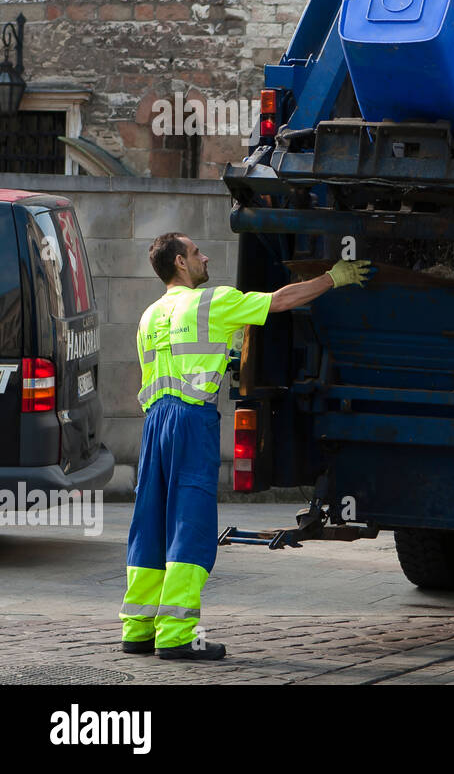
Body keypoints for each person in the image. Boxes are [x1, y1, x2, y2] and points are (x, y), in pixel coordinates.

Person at [119, 233, 372, 661]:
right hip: (189, 421)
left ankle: (138, 627)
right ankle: (177, 635)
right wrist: (333, 278)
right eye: (198, 252)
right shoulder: (211, 301)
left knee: (150, 522)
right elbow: (279, 301)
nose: (206, 257)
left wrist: (224, 359)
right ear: (180, 263)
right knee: (191, 521)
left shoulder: (150, 315)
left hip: (154, 422)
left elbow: (180, 359)